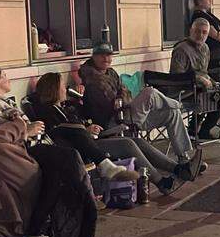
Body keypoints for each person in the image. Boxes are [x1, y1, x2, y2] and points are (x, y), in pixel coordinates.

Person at [29, 73, 201, 193]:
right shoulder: (49, 110)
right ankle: (162, 182)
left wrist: (87, 125)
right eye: (61, 86)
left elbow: (76, 124)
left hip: (92, 139)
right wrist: (86, 129)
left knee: (137, 142)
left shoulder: (64, 106)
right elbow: (64, 133)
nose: (65, 89)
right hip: (85, 148)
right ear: (53, 90)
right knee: (128, 143)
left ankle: (178, 169)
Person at [77, 43, 199, 166]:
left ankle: (184, 159)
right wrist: (119, 102)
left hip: (129, 115)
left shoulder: (111, 73)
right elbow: (103, 108)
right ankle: (180, 104)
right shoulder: (90, 79)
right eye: (101, 55)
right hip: (114, 122)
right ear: (94, 57)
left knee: (172, 113)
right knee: (149, 92)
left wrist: (121, 98)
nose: (106, 59)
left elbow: (124, 91)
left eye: (108, 55)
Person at [170, 18, 220, 138]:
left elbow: (204, 71)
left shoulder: (205, 48)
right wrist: (200, 79)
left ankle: (203, 130)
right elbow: (177, 76)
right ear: (191, 31)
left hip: (201, 88)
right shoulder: (181, 49)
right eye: (197, 31)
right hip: (184, 89)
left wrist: (212, 82)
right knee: (208, 96)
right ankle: (193, 130)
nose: (201, 35)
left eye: (204, 32)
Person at [190, 0, 220, 64]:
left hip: (219, 49)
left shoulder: (208, 14)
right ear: (199, 2)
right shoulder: (199, 15)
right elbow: (214, 34)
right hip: (212, 50)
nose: (210, 1)